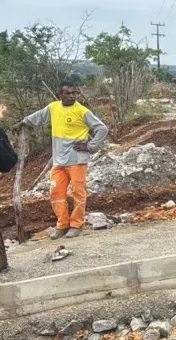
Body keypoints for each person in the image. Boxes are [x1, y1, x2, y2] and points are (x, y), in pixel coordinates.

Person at [14, 82, 108, 239]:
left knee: (78, 192)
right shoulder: (53, 108)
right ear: (60, 95)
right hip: (58, 161)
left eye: (74, 93)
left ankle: (77, 224)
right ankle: (62, 224)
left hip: (77, 160)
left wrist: (90, 146)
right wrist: (23, 122)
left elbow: (102, 129)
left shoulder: (81, 111)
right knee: (55, 192)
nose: (71, 96)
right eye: (68, 93)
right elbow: (37, 117)